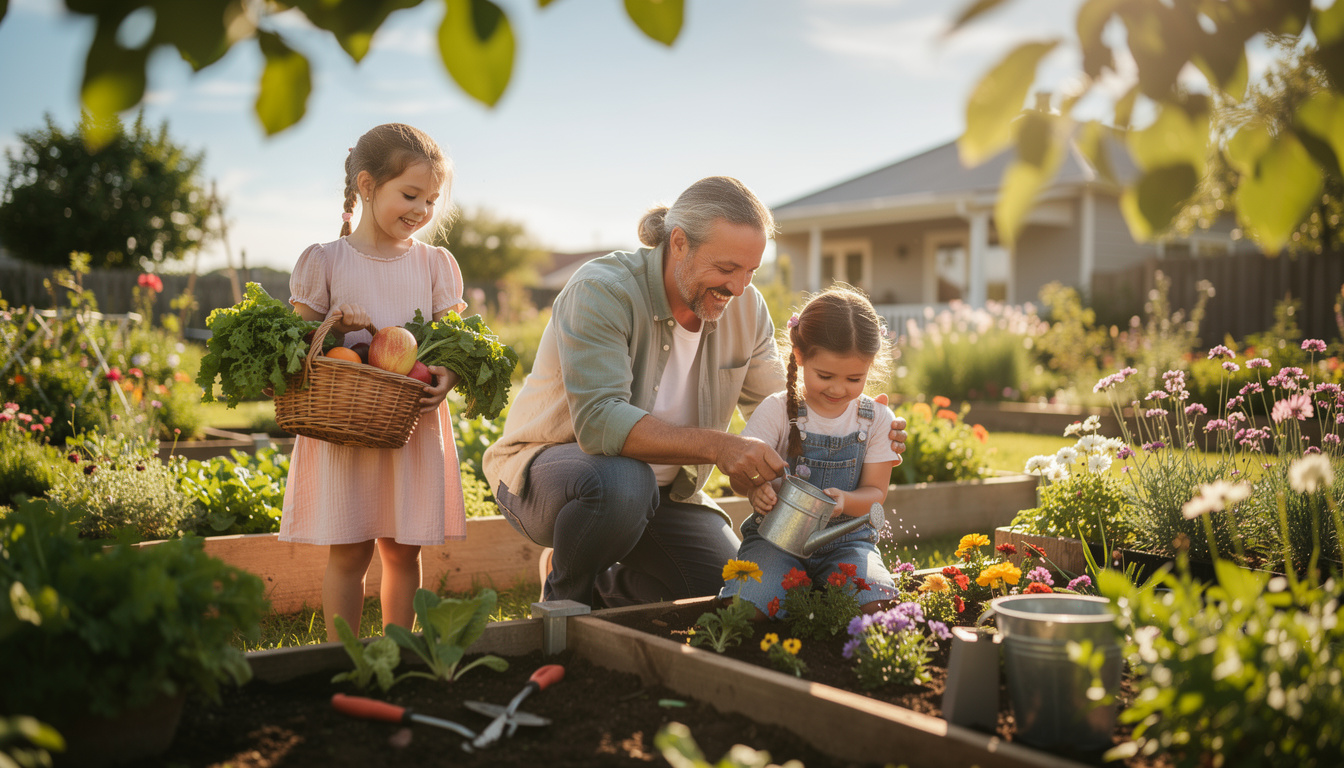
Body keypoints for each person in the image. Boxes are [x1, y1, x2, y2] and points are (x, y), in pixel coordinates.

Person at [482, 176, 907, 608]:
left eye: (750, 271)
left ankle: (601, 587)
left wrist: (855, 420)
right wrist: (719, 446)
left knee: (722, 584)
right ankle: (563, 608)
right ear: (679, 243)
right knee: (624, 482)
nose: (739, 287)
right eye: (726, 269)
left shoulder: (746, 307)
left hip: (667, 495)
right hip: (552, 478)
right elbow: (599, 422)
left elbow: (788, 407)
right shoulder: (603, 291)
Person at [280, 123, 466, 641]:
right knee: (350, 552)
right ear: (367, 185)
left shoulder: (434, 264)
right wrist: (334, 326)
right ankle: (342, 657)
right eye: (410, 195)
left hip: (410, 428)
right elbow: (295, 349)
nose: (422, 210)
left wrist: (448, 375)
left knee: (404, 553)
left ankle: (397, 652)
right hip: (347, 427)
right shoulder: (326, 260)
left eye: (431, 200)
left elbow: (454, 344)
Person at [723, 285, 901, 617]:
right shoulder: (778, 410)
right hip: (776, 540)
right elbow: (739, 477)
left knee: (876, 606)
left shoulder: (875, 419)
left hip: (847, 543)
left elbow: (876, 493)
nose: (838, 388)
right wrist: (756, 488)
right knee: (748, 606)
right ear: (800, 355)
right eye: (825, 375)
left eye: (854, 378)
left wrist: (845, 501)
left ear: (870, 367)